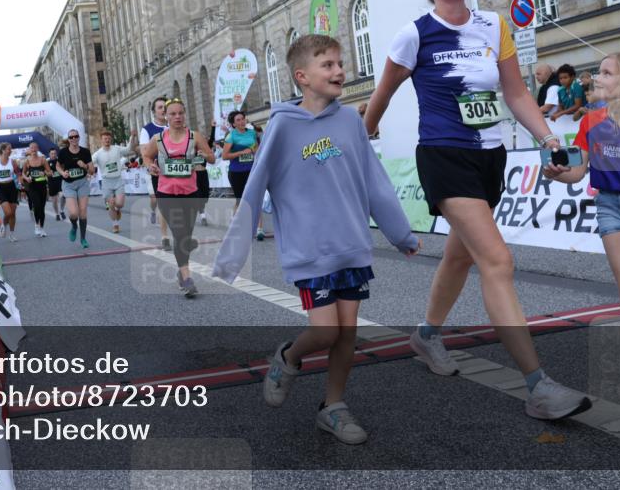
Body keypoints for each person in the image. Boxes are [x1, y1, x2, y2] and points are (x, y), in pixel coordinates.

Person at [364, 0, 591, 421]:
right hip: (444, 156)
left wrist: (549, 139)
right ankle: (538, 386)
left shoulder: (492, 24)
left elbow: (515, 93)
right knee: (497, 259)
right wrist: (356, 144)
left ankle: (425, 336)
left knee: (460, 254)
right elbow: (380, 97)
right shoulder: (415, 35)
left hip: (490, 157)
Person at [213, 35, 419, 444]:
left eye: (340, 63)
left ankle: (333, 406)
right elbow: (255, 188)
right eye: (328, 65)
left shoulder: (349, 123)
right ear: (302, 77)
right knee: (324, 333)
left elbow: (373, 181)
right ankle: (289, 358)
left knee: (347, 334)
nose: (339, 71)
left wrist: (400, 233)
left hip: (351, 245)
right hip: (310, 252)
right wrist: (232, 256)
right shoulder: (282, 126)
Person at [545, 52, 620, 393]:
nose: (596, 77)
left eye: (606, 73)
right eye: (598, 71)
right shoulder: (590, 121)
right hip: (609, 205)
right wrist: (558, 173)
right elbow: (579, 171)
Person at [142, 98, 215, 298]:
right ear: (165, 116)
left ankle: (182, 272)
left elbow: (212, 157)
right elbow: (146, 155)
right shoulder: (158, 139)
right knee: (180, 233)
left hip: (190, 192)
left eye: (180, 113)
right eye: (173, 114)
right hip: (166, 193)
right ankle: (187, 277)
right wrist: (151, 166)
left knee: (186, 236)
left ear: (185, 114)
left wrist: (203, 155)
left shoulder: (194, 136)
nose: (177, 117)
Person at [222, 110, 264, 240]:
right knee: (241, 201)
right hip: (236, 172)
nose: (241, 122)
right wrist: (240, 153)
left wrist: (255, 152)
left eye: (243, 119)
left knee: (255, 199)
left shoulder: (252, 133)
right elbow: (224, 156)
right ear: (233, 124)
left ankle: (259, 229)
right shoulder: (231, 136)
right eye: (238, 120)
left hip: (251, 170)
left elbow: (257, 149)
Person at [140, 96, 173, 251]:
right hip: (157, 171)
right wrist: (150, 165)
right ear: (154, 112)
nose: (163, 110)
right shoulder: (147, 130)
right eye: (160, 107)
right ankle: (165, 237)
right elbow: (145, 152)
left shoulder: (175, 127)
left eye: (165, 107)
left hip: (175, 171)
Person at [92, 129, 138, 233]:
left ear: (111, 139)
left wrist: (132, 137)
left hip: (117, 180)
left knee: (120, 204)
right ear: (101, 140)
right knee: (111, 204)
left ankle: (118, 209)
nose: (107, 140)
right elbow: (90, 163)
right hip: (106, 182)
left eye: (108, 138)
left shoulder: (116, 149)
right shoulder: (97, 154)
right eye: (105, 138)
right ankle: (115, 225)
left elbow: (129, 149)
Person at [56, 128, 95, 248]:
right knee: (73, 213)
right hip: (68, 185)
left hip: (82, 183)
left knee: (82, 212)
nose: (73, 139)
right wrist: (63, 173)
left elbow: (92, 171)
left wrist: (84, 166)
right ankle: (74, 226)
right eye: (71, 137)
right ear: (68, 140)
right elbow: (58, 166)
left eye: (75, 136)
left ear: (79, 138)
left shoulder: (85, 152)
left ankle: (83, 239)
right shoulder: (63, 152)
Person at [22, 141, 53, 238]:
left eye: (35, 148)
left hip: (42, 186)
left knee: (42, 208)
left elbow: (50, 173)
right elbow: (23, 173)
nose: (34, 150)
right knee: (37, 205)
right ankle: (36, 224)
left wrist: (44, 173)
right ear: (29, 150)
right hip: (32, 186)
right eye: (32, 148)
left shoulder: (43, 160)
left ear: (38, 149)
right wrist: (26, 178)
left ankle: (42, 228)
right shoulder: (27, 161)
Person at [0, 143, 21, 242]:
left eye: (11, 149)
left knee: (13, 213)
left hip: (11, 187)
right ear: (3, 150)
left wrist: (20, 180)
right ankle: (3, 225)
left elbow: (18, 172)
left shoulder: (12, 162)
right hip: (1, 188)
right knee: (8, 213)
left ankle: (12, 234)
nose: (10, 151)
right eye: (9, 149)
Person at [47, 147, 65, 221]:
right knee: (54, 201)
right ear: (49, 154)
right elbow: (45, 172)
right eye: (52, 154)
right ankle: (57, 214)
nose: (53, 155)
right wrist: (49, 173)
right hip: (52, 183)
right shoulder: (47, 162)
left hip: (60, 181)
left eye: (54, 153)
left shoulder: (59, 161)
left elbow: (64, 168)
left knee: (63, 196)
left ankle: (62, 210)